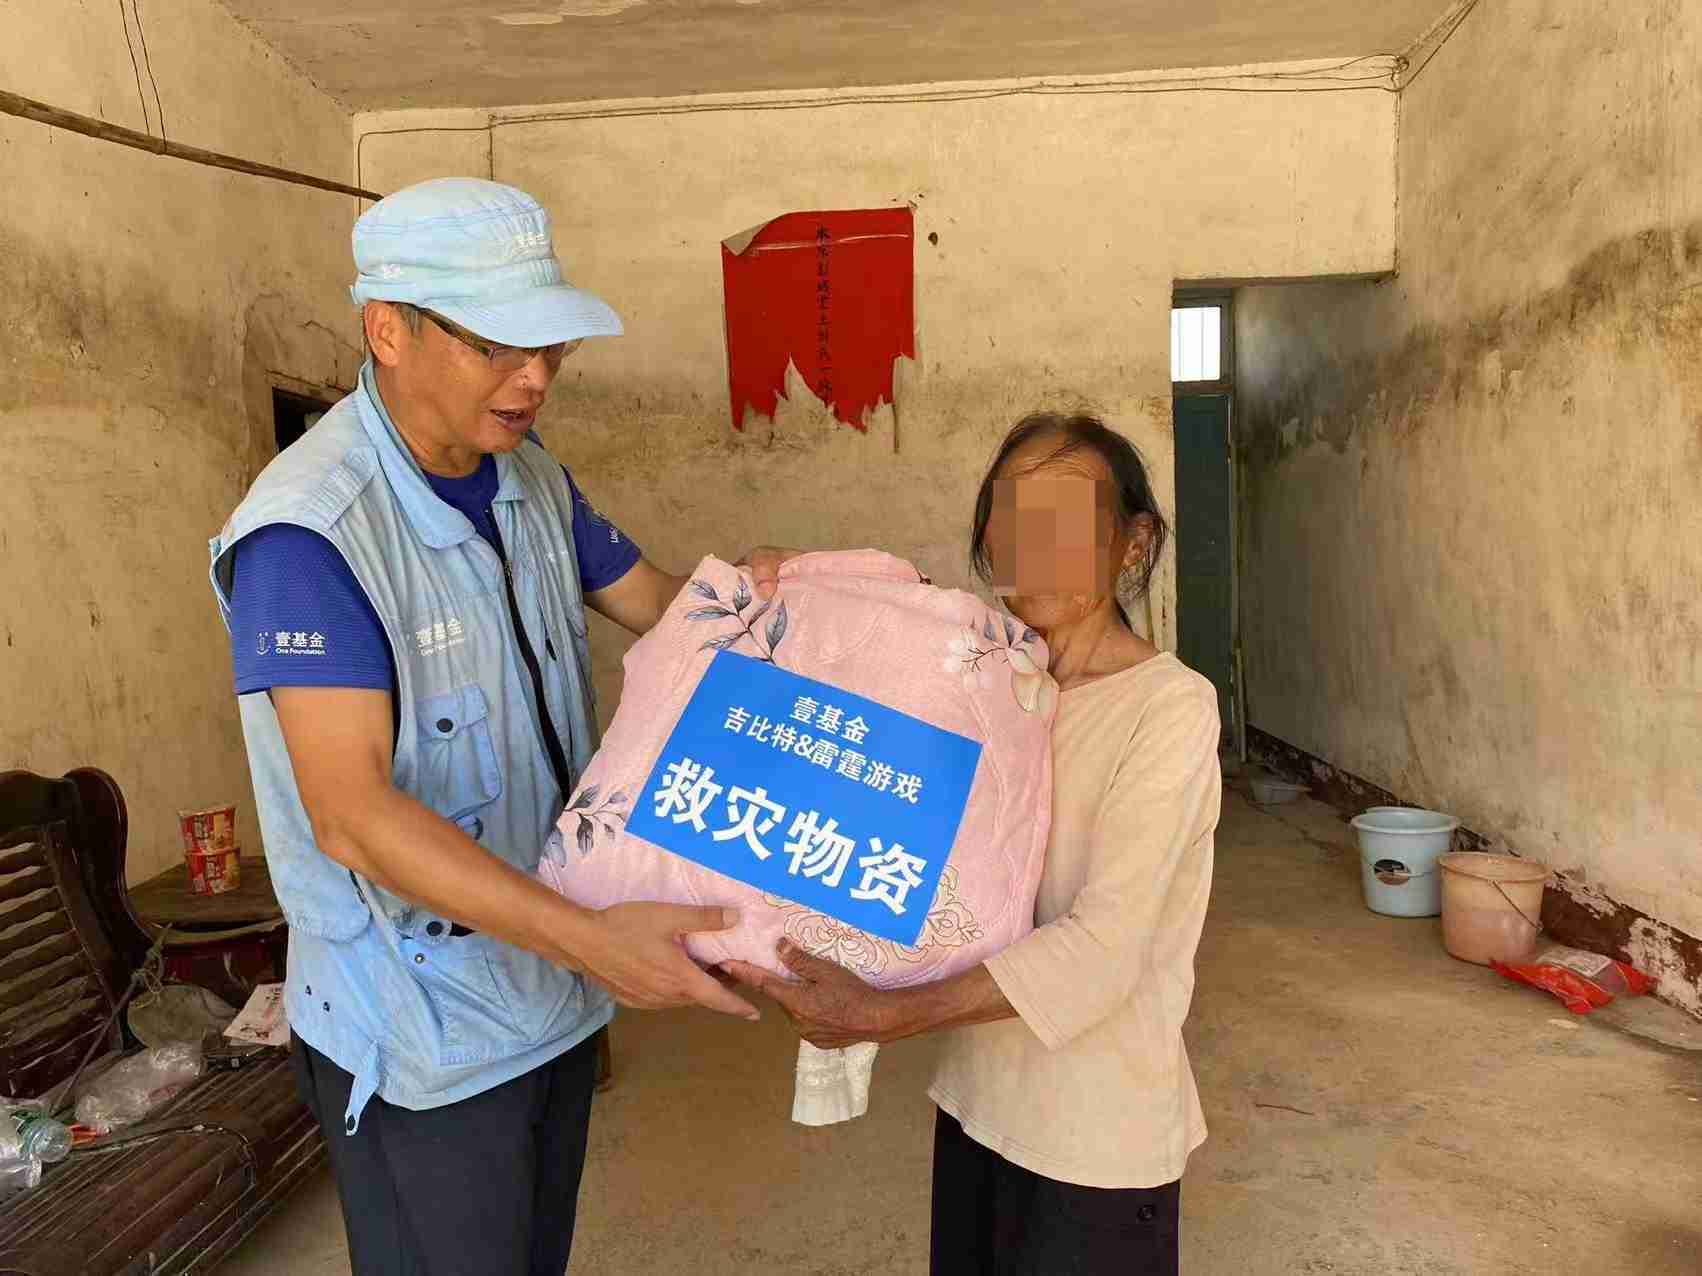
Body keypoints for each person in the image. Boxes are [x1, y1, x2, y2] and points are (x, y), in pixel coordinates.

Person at [208, 177, 768, 1276]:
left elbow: (662, 605)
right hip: (424, 1030)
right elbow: (353, 816)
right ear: (390, 330)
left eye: (551, 345)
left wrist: (779, 603)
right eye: (498, 344)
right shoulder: (308, 538)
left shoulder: (531, 478)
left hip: (550, 992)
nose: (536, 376)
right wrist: (597, 943)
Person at [728, 413, 1222, 1276]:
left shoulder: (1168, 706)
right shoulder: (982, 684)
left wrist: (887, 1013)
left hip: (1094, 1137)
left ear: (1132, 542)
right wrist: (797, 591)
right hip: (977, 1104)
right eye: (1015, 515)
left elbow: (1104, 952)